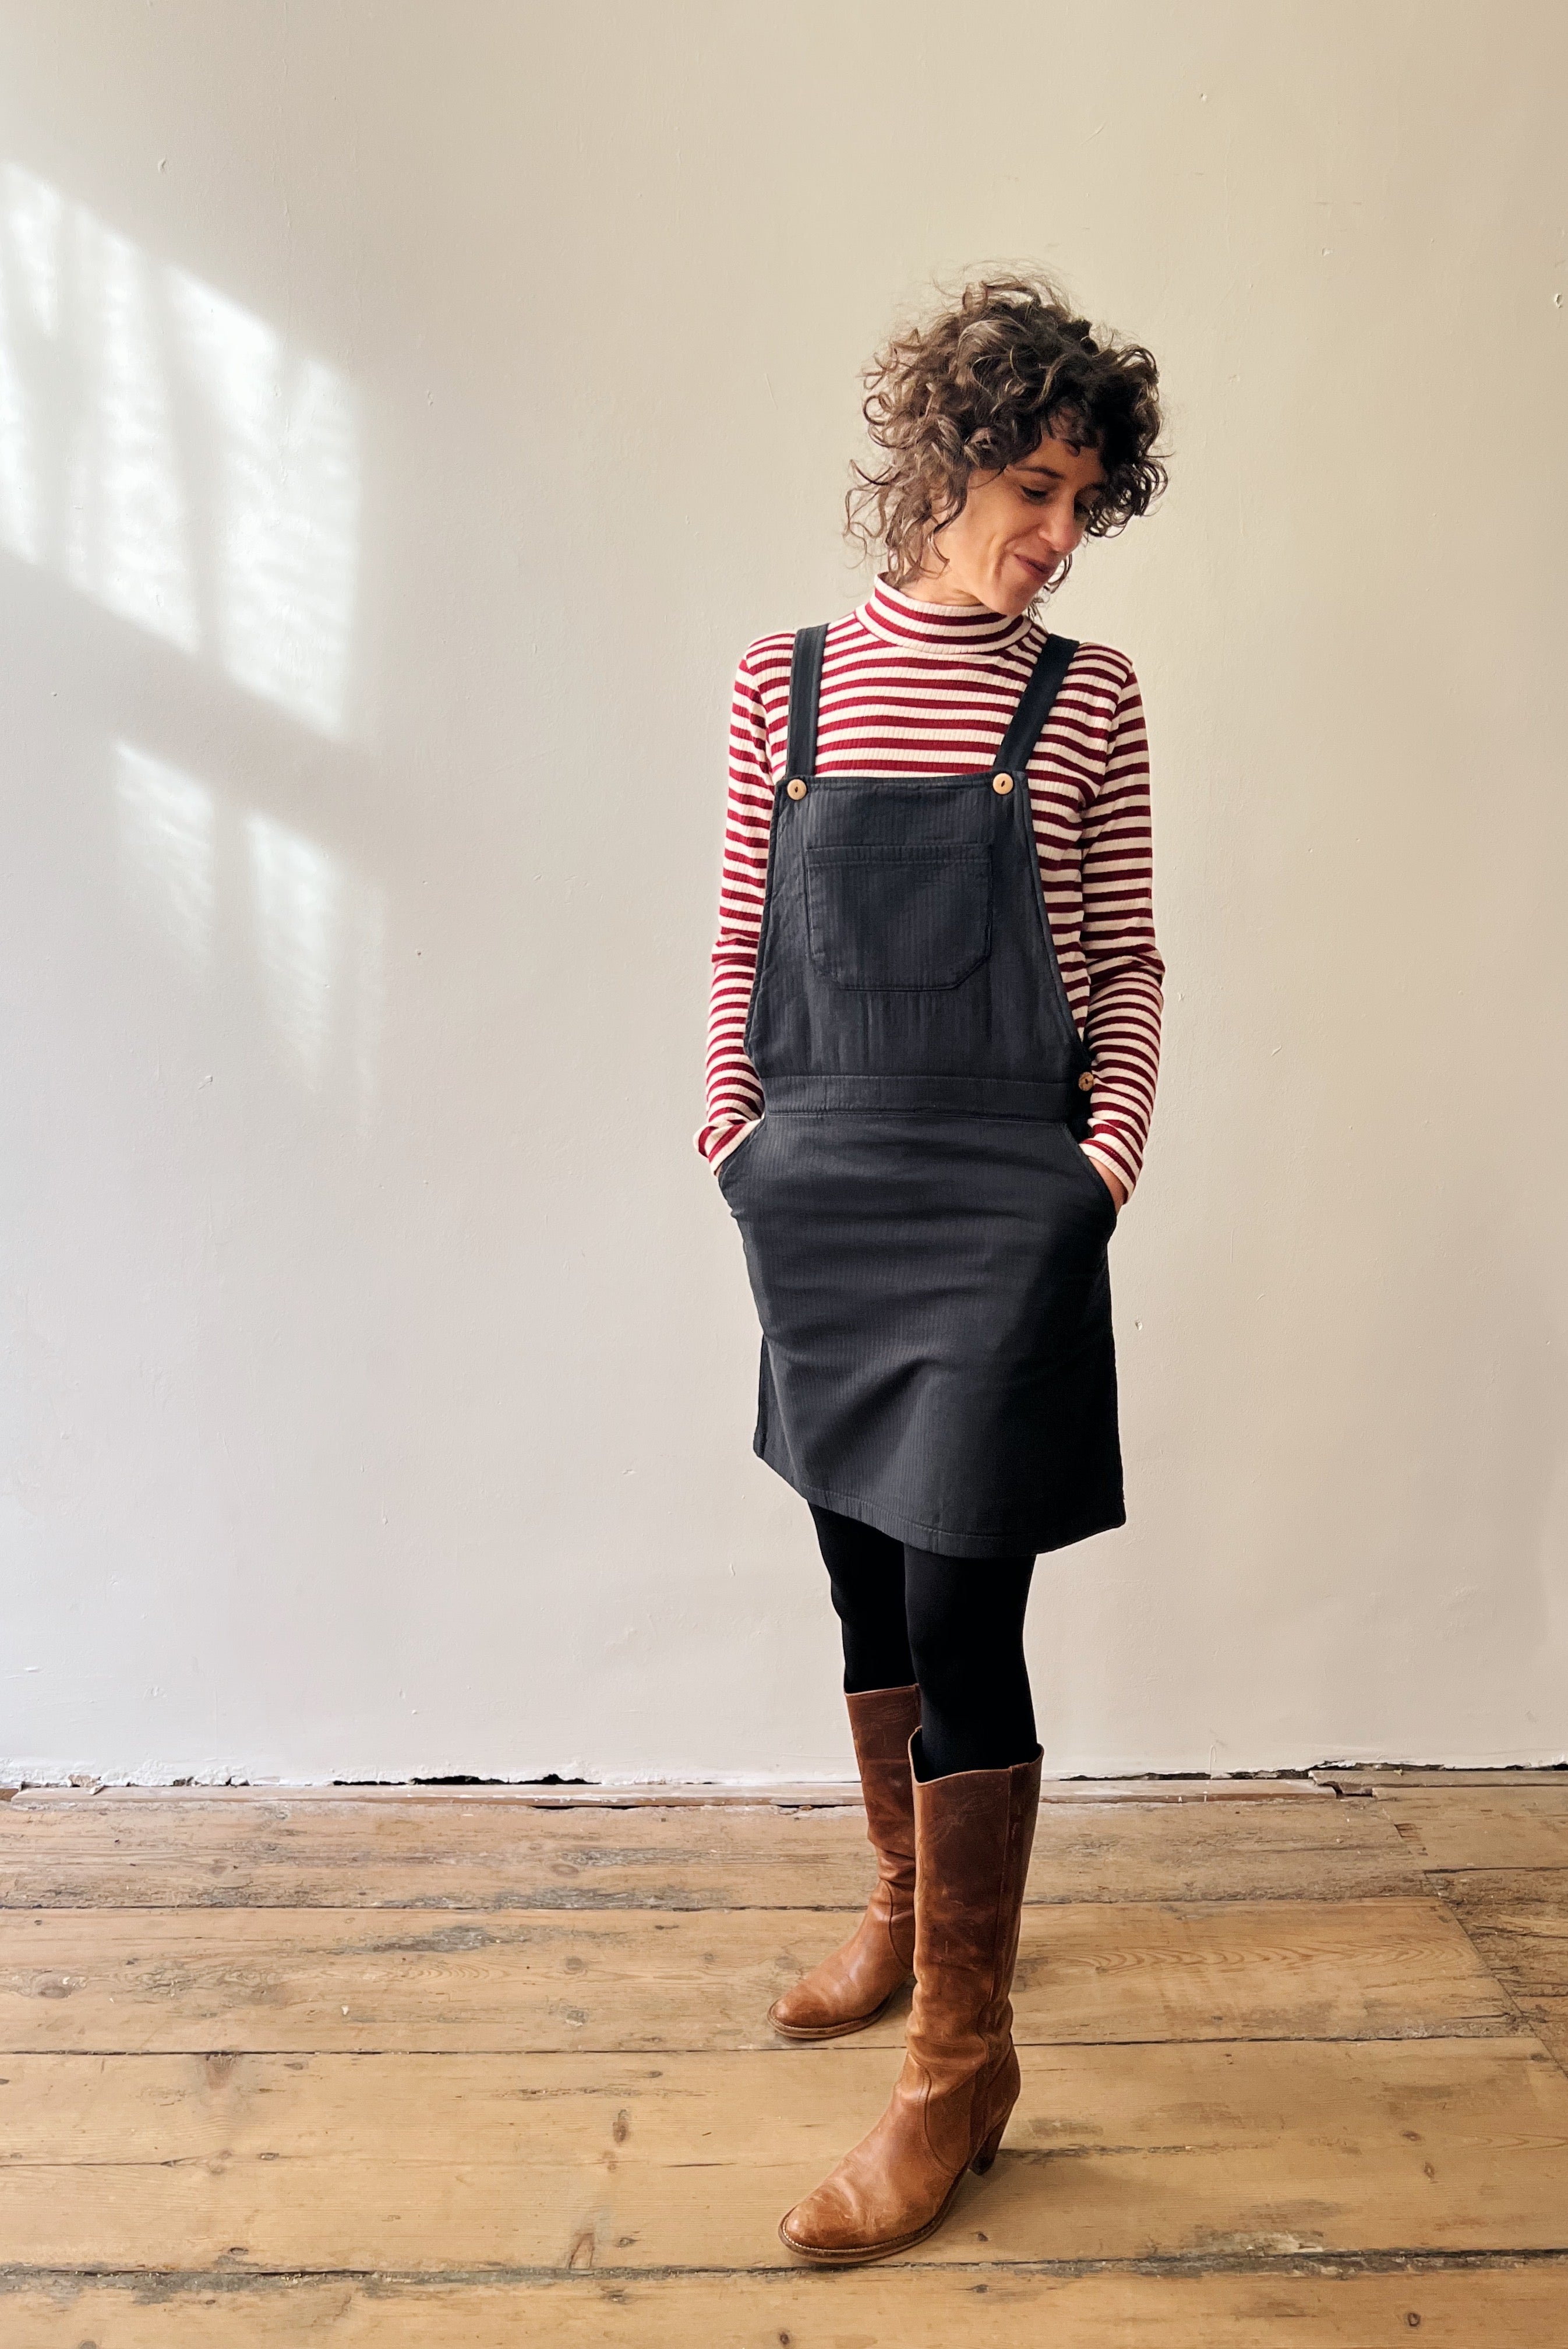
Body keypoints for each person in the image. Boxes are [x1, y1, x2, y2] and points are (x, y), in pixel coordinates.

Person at [697, 272, 1167, 2264]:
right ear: (944, 458)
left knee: (966, 1611)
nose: (1056, 536)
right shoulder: (780, 678)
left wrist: (1101, 1171)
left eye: (1086, 503)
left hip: (1001, 1200)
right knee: (854, 1565)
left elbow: (1126, 964)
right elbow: (736, 950)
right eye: (1036, 486)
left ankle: (957, 2070)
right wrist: (733, 1135)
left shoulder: (1091, 695)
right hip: (820, 1190)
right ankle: (898, 1911)